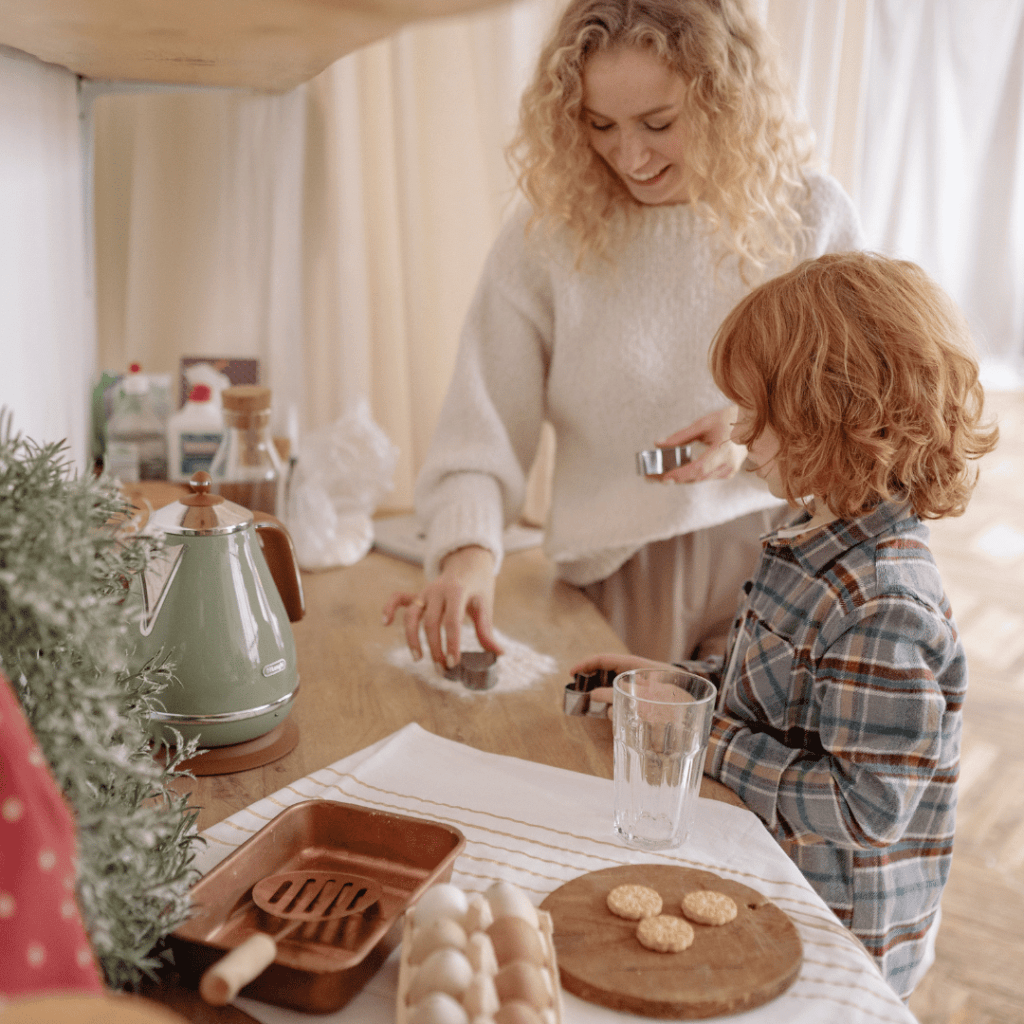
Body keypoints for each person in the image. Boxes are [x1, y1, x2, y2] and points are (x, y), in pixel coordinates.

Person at [383, 0, 863, 672]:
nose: (629, 156)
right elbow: (478, 433)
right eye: (599, 124)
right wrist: (466, 558)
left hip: (784, 559)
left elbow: (859, 410)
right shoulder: (547, 237)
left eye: (658, 123)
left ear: (725, 100)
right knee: (608, 768)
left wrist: (755, 429)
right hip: (616, 574)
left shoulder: (810, 215)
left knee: (748, 770)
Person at [572, 250, 999, 998]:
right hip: (767, 875)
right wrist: (671, 684)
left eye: (755, 410)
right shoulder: (805, 535)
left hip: (836, 942)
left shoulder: (883, 605)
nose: (737, 429)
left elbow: (864, 810)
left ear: (827, 415)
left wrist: (704, 737)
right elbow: (775, 695)